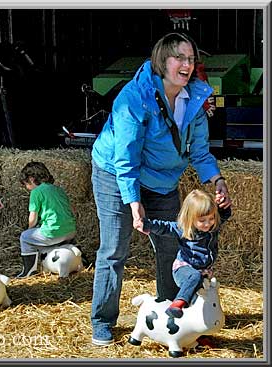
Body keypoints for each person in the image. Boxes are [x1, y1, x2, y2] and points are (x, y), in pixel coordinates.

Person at [89, 32, 232, 346]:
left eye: (191, 59)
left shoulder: (193, 97)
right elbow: (125, 157)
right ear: (161, 62)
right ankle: (102, 320)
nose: (187, 64)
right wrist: (133, 201)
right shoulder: (132, 98)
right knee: (115, 249)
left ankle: (174, 317)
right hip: (117, 174)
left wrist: (217, 180)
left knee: (173, 248)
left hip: (162, 180)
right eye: (179, 58)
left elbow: (200, 152)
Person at [135, 189, 231, 318]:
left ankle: (198, 333)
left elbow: (224, 215)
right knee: (194, 277)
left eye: (211, 218)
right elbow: (165, 227)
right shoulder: (183, 228)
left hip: (203, 272)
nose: (208, 223)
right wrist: (147, 225)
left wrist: (223, 205)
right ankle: (177, 304)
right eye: (202, 220)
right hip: (183, 269)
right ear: (190, 217)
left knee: (199, 304)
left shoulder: (212, 228)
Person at [17, 161, 77, 278]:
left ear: (31, 179)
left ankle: (29, 271)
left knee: (25, 237)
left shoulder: (36, 192)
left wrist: (29, 229)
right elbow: (72, 210)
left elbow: (33, 218)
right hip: (71, 231)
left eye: (26, 184)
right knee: (43, 235)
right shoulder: (58, 189)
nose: (27, 188)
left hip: (53, 232)